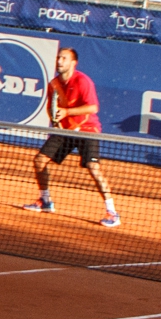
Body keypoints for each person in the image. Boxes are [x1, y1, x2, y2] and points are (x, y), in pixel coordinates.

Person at [23, 48, 119, 227]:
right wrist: (56, 120)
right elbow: (51, 109)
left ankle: (112, 212)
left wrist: (67, 112)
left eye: (64, 58)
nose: (59, 61)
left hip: (87, 129)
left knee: (93, 167)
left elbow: (93, 108)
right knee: (39, 161)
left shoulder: (83, 81)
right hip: (65, 131)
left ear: (73, 63)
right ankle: (45, 201)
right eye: (58, 57)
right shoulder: (54, 85)